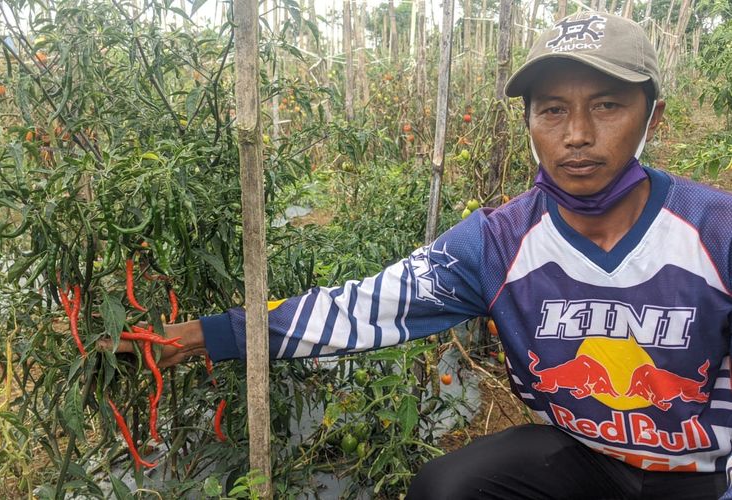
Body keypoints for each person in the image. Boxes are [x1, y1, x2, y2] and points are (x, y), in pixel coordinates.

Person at [112, 12, 732, 499]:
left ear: (653, 115)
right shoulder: (498, 243)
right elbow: (363, 308)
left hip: (703, 475)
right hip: (582, 457)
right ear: (529, 124)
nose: (576, 134)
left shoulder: (714, 232)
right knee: (445, 488)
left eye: (606, 105)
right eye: (552, 110)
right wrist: (208, 334)